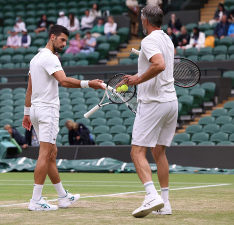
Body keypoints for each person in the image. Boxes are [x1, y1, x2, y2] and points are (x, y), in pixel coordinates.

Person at [22, 24, 105, 211]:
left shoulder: (35, 59)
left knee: (52, 153)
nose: (64, 44)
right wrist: (89, 83)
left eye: (66, 41)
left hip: (36, 110)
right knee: (45, 153)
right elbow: (64, 81)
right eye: (62, 40)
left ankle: (63, 197)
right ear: (52, 37)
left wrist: (27, 114)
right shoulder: (50, 58)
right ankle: (35, 200)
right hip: (47, 110)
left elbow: (29, 89)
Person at [123, 4, 177, 218]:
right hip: (171, 102)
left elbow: (159, 64)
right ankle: (165, 203)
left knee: (136, 152)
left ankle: (151, 195)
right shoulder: (167, 39)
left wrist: (136, 79)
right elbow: (158, 65)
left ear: (144, 20)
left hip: (154, 102)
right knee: (159, 152)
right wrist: (139, 75)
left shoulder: (148, 40)